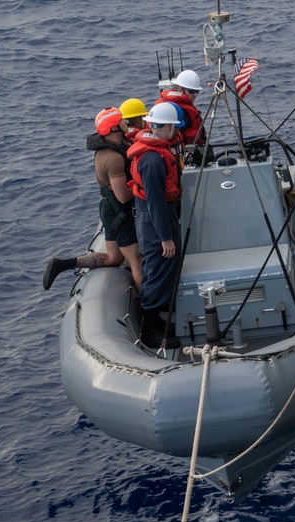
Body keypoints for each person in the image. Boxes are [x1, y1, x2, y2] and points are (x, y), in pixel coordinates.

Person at [42, 104, 144, 290]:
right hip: (119, 212)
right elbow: (122, 196)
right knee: (136, 261)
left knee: (113, 258)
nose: (124, 122)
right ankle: (147, 306)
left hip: (108, 210)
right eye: (121, 120)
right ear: (114, 127)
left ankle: (63, 264)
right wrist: (141, 188)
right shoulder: (112, 157)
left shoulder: (112, 147)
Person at [127, 102, 184, 348]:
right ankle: (150, 330)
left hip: (156, 220)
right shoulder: (151, 161)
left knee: (162, 271)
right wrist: (165, 237)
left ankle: (158, 321)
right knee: (158, 274)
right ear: (167, 127)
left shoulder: (154, 154)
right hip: (155, 225)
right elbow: (156, 203)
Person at [156, 68, 205, 148]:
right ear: (180, 89)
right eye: (191, 91)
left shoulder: (183, 106)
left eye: (197, 91)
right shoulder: (180, 110)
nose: (195, 94)